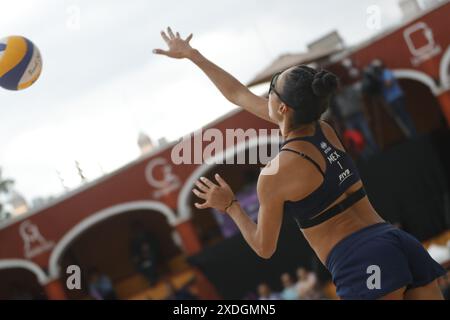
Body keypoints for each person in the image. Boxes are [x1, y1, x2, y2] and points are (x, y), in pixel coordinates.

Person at [153, 27, 446, 300]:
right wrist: (194, 56)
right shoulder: (325, 130)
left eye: (271, 89)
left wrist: (231, 206)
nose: (263, 95)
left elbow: (264, 247)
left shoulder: (275, 173)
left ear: (281, 107)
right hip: (396, 239)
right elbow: (239, 95)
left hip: (361, 258)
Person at [372, 59, 418, 139]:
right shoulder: (378, 76)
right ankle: (408, 134)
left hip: (397, 97)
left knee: (404, 115)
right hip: (390, 100)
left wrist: (379, 80)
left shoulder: (386, 72)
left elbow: (388, 84)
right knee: (398, 117)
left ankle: (414, 133)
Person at [130, 221, 160, 286]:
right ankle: (151, 279)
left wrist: (149, 250)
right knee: (140, 267)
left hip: (153, 256)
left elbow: (156, 246)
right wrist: (138, 257)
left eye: (139, 228)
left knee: (151, 261)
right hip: (142, 260)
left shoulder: (150, 236)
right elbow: (134, 254)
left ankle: (153, 279)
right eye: (136, 229)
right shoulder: (134, 241)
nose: (138, 230)